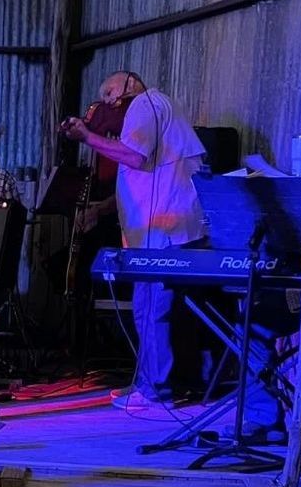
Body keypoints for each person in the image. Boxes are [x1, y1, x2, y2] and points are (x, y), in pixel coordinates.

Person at [62, 73, 206, 409]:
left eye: (109, 92)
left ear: (129, 83)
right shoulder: (151, 110)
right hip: (157, 236)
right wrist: (102, 209)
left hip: (164, 234)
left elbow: (135, 157)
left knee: (153, 311)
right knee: (146, 310)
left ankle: (158, 390)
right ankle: (149, 382)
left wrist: (86, 136)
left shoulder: (145, 103)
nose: (108, 102)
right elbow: (143, 173)